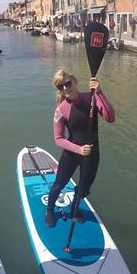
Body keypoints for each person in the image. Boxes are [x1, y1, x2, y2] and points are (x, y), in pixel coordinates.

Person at [44, 68, 115, 228]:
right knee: (59, 184)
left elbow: (110, 118)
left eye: (67, 83)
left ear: (75, 81)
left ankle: (74, 208)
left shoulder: (91, 98)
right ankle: (49, 209)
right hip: (72, 153)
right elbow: (58, 139)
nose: (64, 88)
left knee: (85, 186)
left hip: (92, 153)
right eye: (60, 87)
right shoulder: (61, 109)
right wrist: (78, 149)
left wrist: (100, 92)